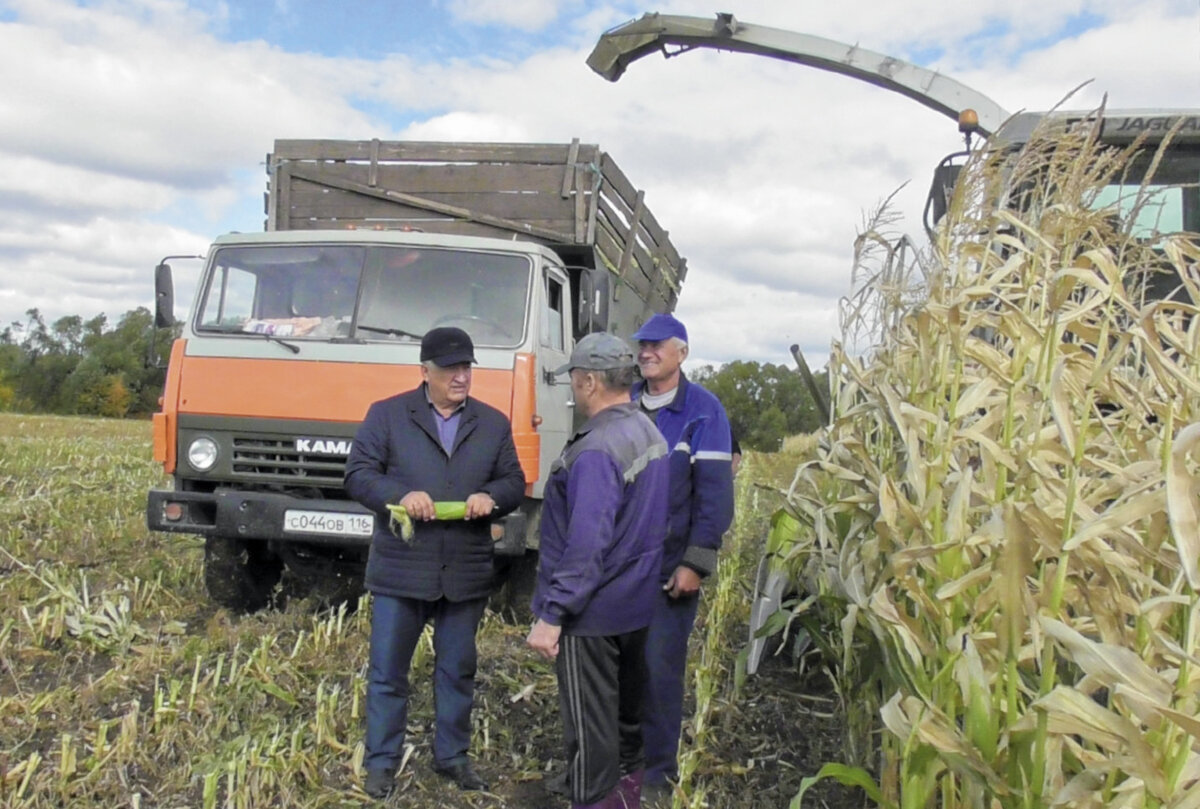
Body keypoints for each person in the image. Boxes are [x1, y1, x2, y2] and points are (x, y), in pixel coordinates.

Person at [344, 326, 526, 799]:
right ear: (424, 371)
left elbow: (513, 479)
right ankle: (382, 762)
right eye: (450, 369)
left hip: (464, 569)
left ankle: (452, 757)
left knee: (457, 668)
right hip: (402, 567)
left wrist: (492, 497)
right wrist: (399, 495)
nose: (461, 377)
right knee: (388, 672)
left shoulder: (492, 422)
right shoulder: (387, 415)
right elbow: (359, 475)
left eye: (466, 367)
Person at [527, 332, 669, 809]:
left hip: (593, 615)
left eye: (573, 377)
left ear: (588, 381)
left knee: (591, 736)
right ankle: (628, 799)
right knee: (627, 726)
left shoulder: (595, 450)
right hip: (636, 607)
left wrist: (553, 615)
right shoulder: (647, 431)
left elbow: (586, 546)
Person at [630, 313, 735, 801]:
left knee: (658, 670)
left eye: (657, 346)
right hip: (617, 571)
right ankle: (618, 759)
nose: (647, 352)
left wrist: (694, 562)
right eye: (643, 346)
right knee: (617, 668)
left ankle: (658, 773)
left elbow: (714, 500)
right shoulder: (624, 403)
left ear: (682, 353)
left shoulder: (703, 412)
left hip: (668, 571)